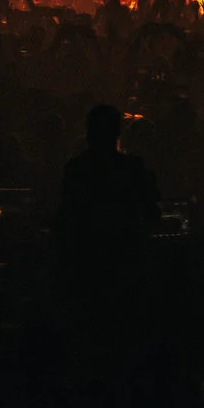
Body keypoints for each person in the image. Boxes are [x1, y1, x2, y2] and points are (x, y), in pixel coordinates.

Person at [54, 103, 160, 291]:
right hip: (126, 261)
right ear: (118, 132)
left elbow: (65, 215)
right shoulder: (132, 168)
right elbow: (152, 212)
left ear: (89, 133)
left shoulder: (76, 168)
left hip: (86, 261)